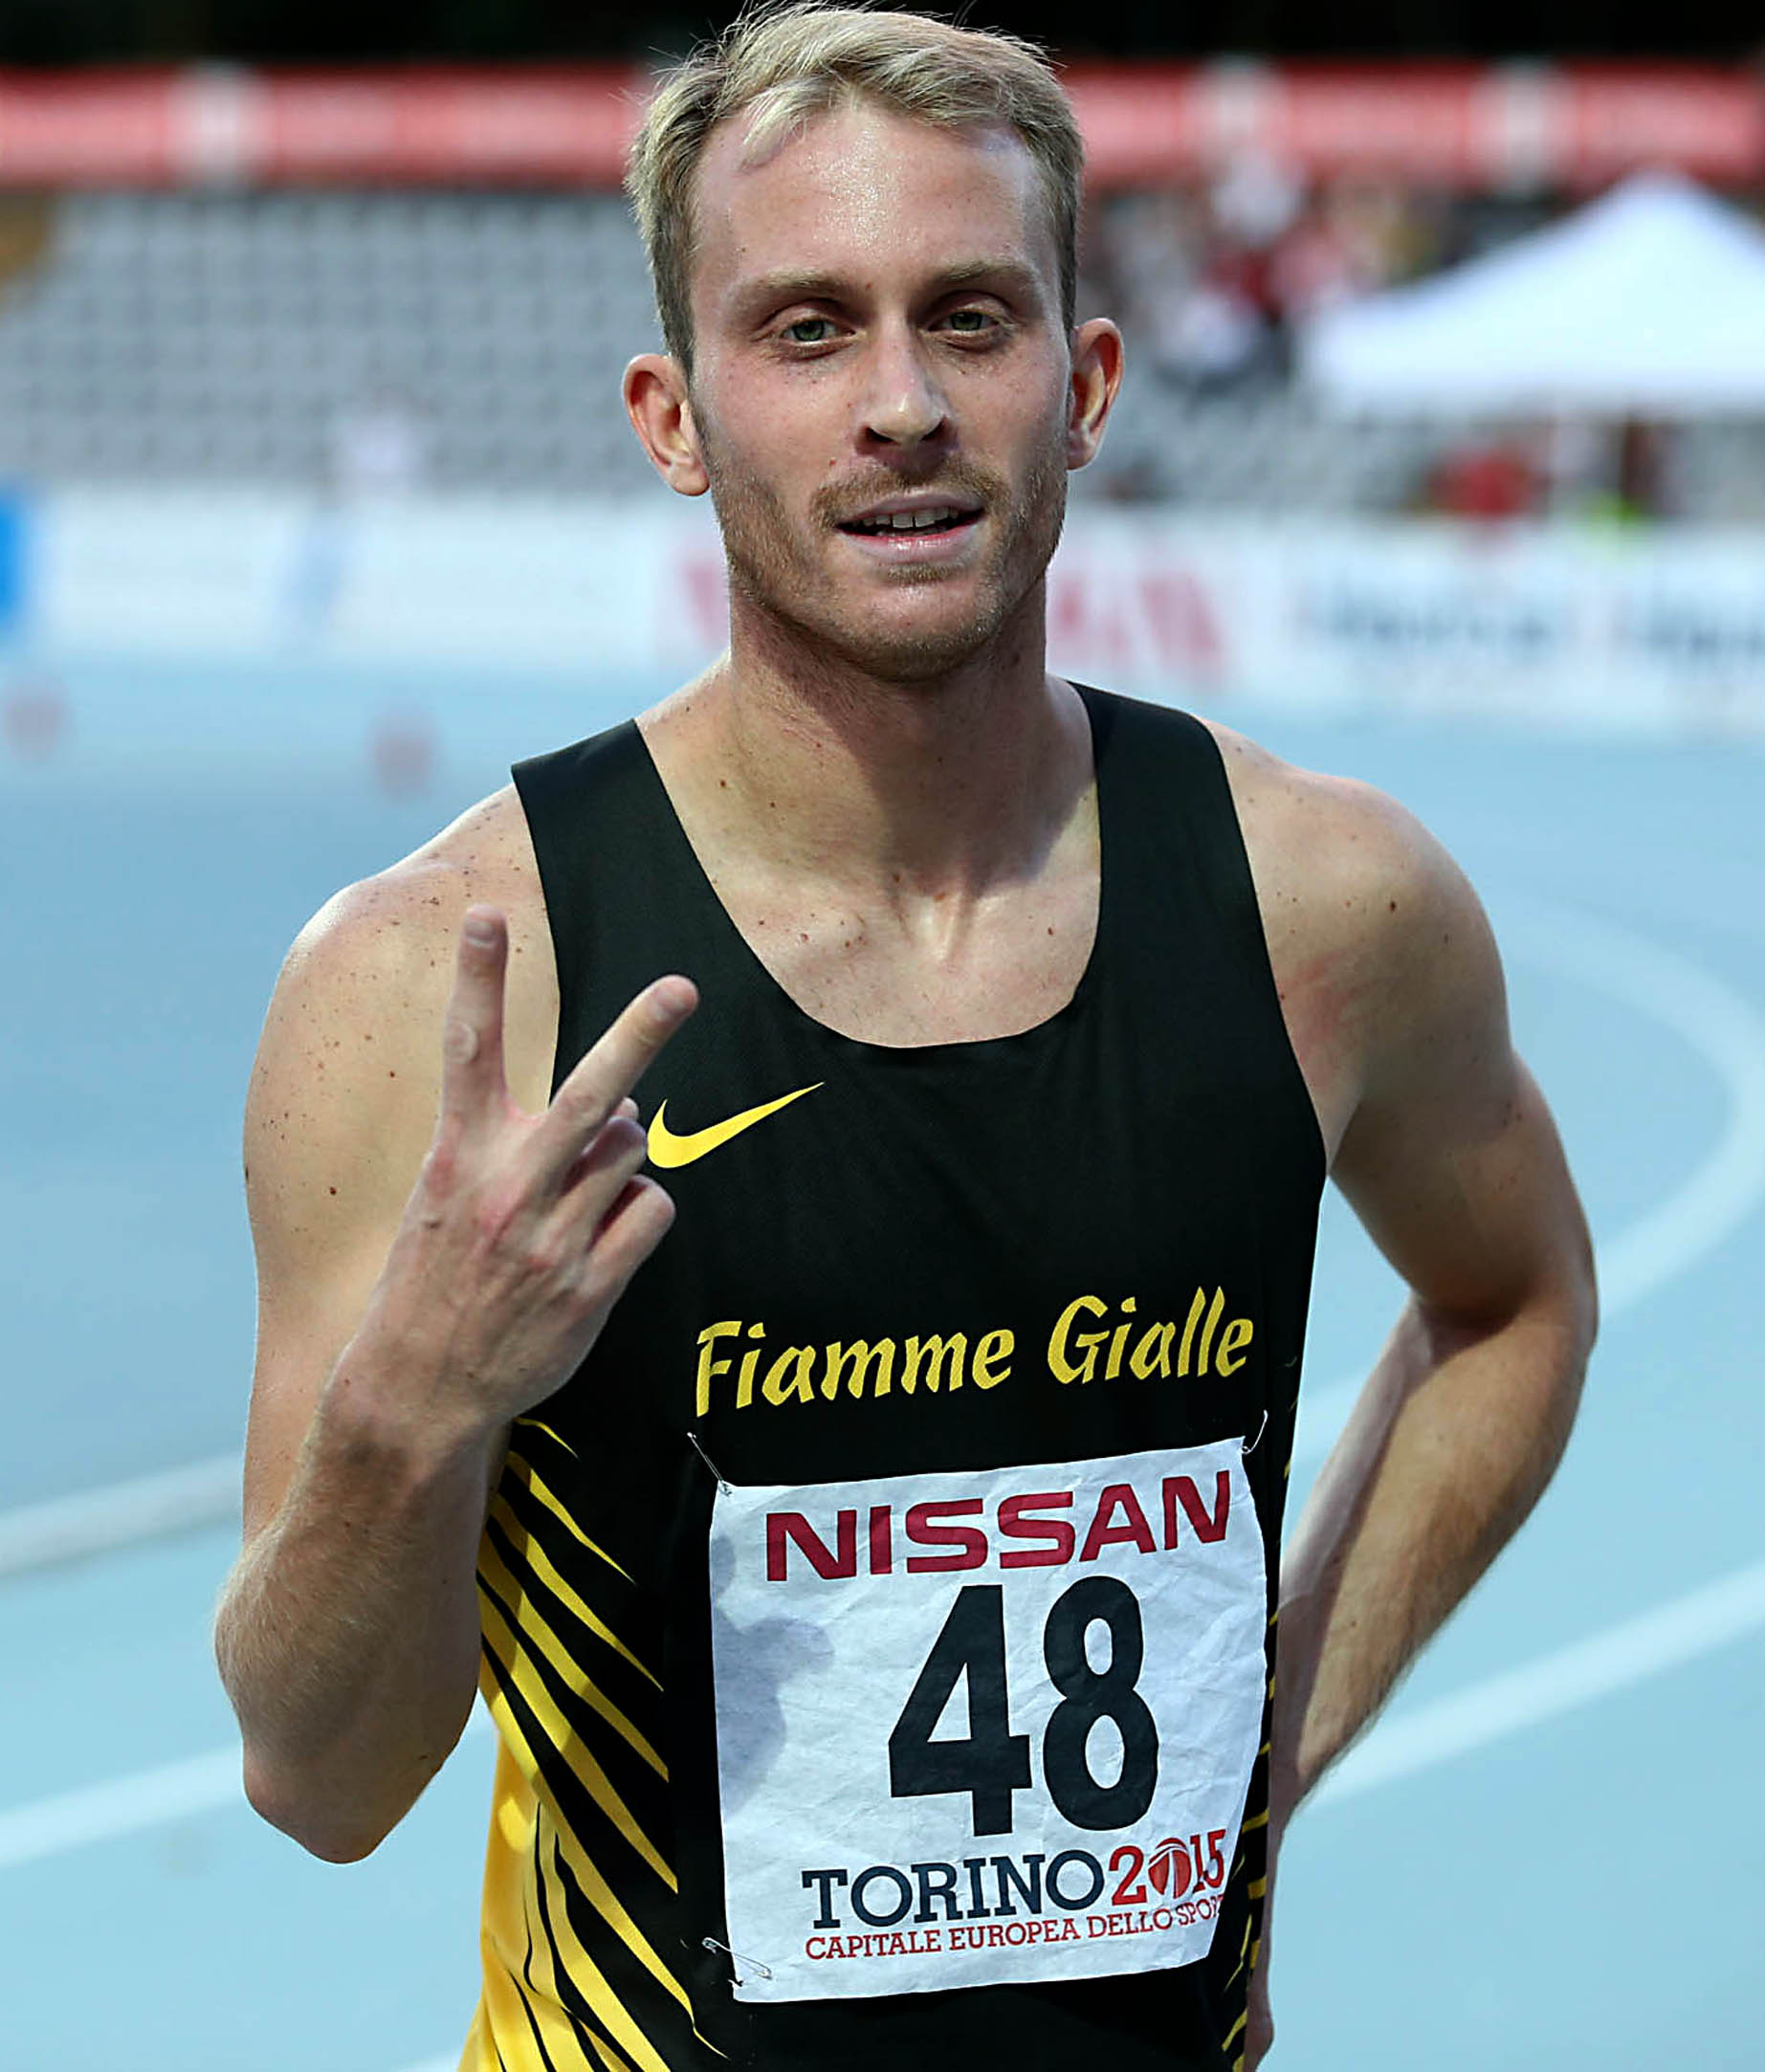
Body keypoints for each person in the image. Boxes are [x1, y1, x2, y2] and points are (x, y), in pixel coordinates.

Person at [213, 10, 1598, 2070]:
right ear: (673, 417)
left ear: (1085, 383)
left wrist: (1260, 1742)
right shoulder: (438, 983)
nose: (900, 405)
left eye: (968, 318)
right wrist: (417, 1401)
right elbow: (319, 1783)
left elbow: (1515, 1300)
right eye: (804, 330)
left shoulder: (1328, 909)